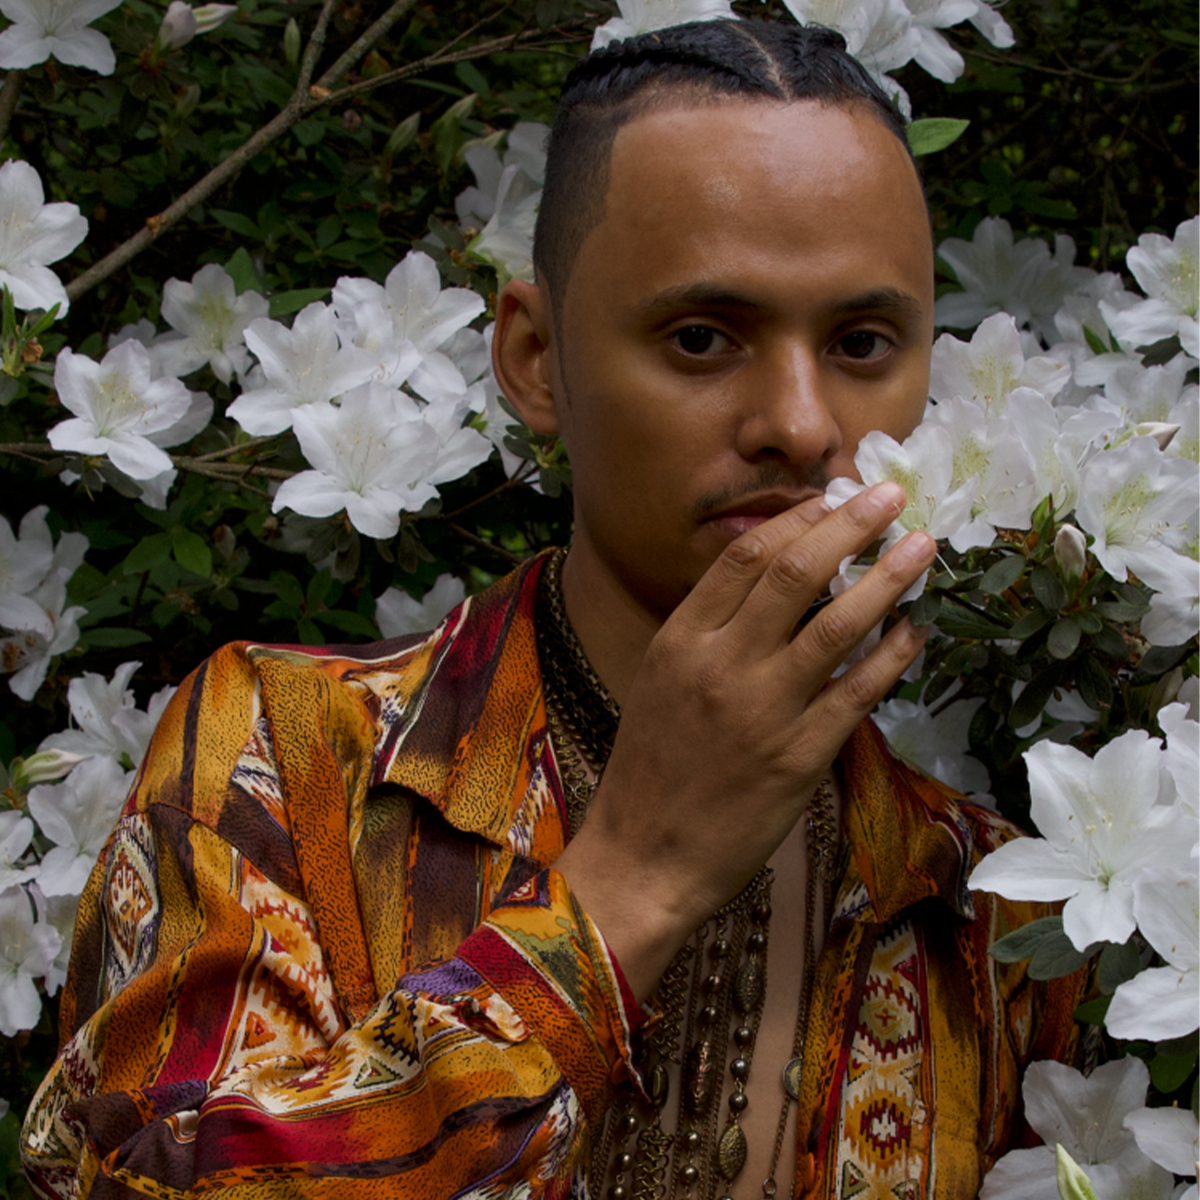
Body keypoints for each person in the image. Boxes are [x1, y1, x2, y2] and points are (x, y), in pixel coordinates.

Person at [22, 18, 1088, 1200]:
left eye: (862, 341)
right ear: (534, 361)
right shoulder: (280, 758)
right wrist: (632, 884)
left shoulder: (998, 912)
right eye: (700, 337)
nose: (799, 420)